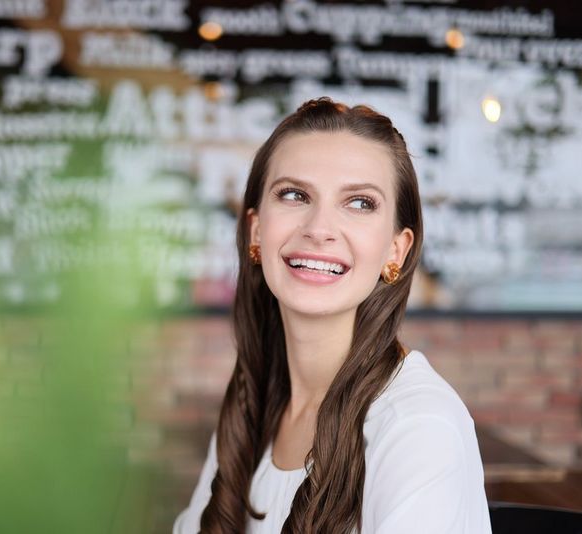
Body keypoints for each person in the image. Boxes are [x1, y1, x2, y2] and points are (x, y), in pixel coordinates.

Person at [173, 98, 492, 533]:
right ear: (256, 230)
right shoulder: (255, 407)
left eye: (360, 203)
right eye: (294, 194)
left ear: (396, 250)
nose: (319, 227)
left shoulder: (418, 427)